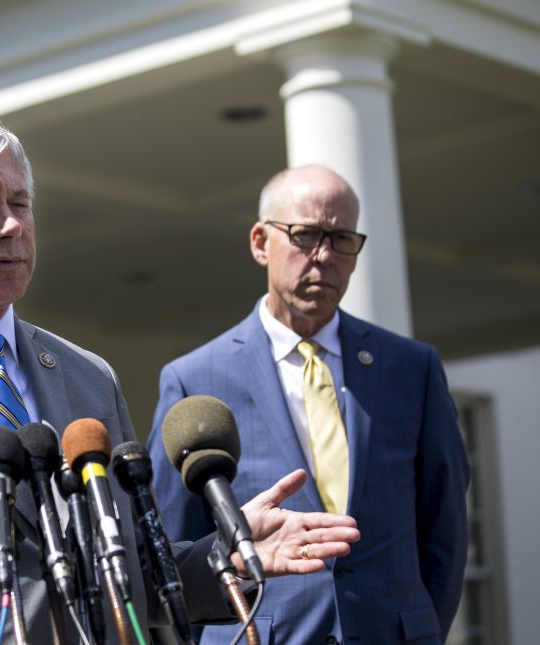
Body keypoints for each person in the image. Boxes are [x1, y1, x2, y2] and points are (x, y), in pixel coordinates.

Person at [0, 120, 361, 644]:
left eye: (21, 204)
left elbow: (128, 577)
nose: (11, 227)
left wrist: (228, 552)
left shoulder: (87, 375)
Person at [148, 165, 470, 644]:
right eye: (304, 236)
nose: (323, 256)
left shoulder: (410, 368)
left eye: (342, 239)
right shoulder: (195, 379)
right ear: (261, 242)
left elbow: (443, 529)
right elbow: (167, 551)